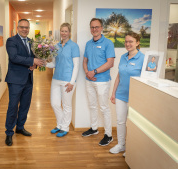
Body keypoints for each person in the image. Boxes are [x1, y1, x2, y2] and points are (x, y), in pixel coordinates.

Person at [4, 19, 44, 146]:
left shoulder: (31, 42)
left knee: (25, 105)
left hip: (28, 79)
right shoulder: (11, 41)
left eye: (27, 27)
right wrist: (32, 61)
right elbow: (14, 57)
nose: (25, 29)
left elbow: (34, 59)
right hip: (15, 80)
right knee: (13, 106)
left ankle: (20, 127)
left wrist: (34, 66)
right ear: (17, 28)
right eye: (22, 27)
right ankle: (9, 132)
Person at [109, 32, 144, 156]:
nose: (128, 44)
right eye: (126, 41)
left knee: (133, 123)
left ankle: (131, 148)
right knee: (120, 121)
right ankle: (121, 145)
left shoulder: (143, 58)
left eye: (131, 41)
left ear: (137, 43)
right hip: (120, 94)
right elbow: (118, 76)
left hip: (135, 96)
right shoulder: (123, 57)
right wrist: (113, 93)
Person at [82, 18, 115, 146]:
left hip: (102, 81)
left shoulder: (108, 43)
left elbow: (110, 63)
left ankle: (109, 135)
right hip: (89, 80)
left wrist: (94, 72)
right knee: (92, 105)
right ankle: (94, 128)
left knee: (104, 107)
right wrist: (87, 72)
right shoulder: (88, 44)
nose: (94, 29)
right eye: (92, 27)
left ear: (101, 28)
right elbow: (85, 61)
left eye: (96, 27)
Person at [46, 23, 80, 137]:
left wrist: (72, 82)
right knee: (54, 104)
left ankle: (65, 127)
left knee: (66, 105)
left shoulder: (74, 46)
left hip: (68, 80)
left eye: (66, 31)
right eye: (62, 31)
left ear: (69, 32)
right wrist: (44, 63)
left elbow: (76, 65)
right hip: (56, 78)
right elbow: (54, 64)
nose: (64, 33)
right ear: (60, 32)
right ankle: (60, 124)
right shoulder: (56, 46)